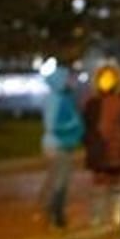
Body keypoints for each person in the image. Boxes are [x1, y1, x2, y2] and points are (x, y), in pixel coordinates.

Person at [82, 62, 120, 227]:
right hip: (97, 151)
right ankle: (97, 219)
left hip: (117, 151)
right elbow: (85, 124)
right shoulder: (92, 102)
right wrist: (89, 141)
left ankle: (116, 218)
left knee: (117, 187)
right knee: (98, 188)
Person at [39, 65, 85, 229]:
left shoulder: (62, 97)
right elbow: (53, 124)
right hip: (60, 144)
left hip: (62, 144)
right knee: (60, 182)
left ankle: (55, 214)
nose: (72, 81)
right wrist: (74, 125)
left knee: (59, 180)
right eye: (69, 78)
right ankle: (56, 216)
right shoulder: (57, 99)